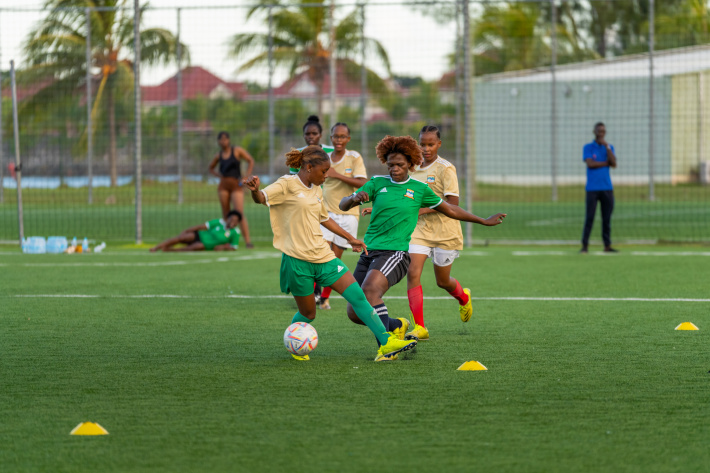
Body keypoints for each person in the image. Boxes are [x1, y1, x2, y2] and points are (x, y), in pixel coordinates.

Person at [243, 145, 417, 362]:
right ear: (308, 167)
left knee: (359, 297)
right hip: (297, 261)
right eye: (323, 172)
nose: (327, 176)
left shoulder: (317, 189)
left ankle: (386, 342)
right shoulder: (286, 183)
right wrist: (254, 190)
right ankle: (294, 340)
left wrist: (350, 238)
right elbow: (262, 198)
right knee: (308, 314)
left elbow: (324, 218)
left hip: (324, 257)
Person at [339, 135, 506, 341]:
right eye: (390, 165)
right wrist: (354, 198)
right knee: (355, 312)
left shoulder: (419, 189)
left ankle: (388, 344)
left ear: (410, 163)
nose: (394, 169)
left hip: (395, 252)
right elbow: (343, 205)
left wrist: (483, 220)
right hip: (368, 251)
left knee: (370, 290)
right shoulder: (376, 183)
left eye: (399, 164)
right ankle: (397, 325)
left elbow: (450, 209)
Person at [405, 126, 470, 342]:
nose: (426, 148)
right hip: (420, 230)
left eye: (430, 144)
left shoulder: (446, 168)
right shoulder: (412, 168)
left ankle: (463, 297)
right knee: (413, 272)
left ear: (438, 144)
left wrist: (421, 209)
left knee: (442, 282)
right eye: (422, 144)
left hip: (445, 231)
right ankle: (420, 327)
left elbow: (453, 204)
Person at [318, 122, 368, 310]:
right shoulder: (325, 158)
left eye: (342, 136)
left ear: (348, 138)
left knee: (334, 259)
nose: (338, 140)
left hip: (348, 215)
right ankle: (315, 293)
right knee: (320, 253)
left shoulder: (354, 157)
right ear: (331, 138)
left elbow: (362, 182)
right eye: (335, 136)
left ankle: (324, 297)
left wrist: (336, 175)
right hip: (326, 213)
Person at [208, 131, 255, 248]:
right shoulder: (218, 155)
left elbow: (250, 160)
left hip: (236, 185)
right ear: (218, 141)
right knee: (226, 215)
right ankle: (226, 240)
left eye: (225, 139)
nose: (223, 141)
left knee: (239, 213)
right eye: (221, 139)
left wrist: (246, 176)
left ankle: (248, 241)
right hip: (223, 186)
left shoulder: (237, 151)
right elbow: (211, 168)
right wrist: (220, 176)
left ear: (229, 140)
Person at [581, 122, 618, 253]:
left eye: (603, 131)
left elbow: (614, 164)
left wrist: (607, 147)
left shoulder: (609, 147)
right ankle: (585, 246)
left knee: (606, 218)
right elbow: (590, 164)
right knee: (589, 218)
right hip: (592, 189)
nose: (601, 133)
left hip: (606, 188)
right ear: (594, 132)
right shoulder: (588, 147)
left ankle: (607, 245)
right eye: (599, 131)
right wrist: (605, 163)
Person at [150, 211, 242, 252]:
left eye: (236, 221)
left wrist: (223, 247)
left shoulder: (235, 232)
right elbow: (201, 226)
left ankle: (170, 250)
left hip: (206, 244)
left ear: (238, 223)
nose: (233, 222)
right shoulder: (219, 222)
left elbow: (234, 247)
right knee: (182, 238)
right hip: (199, 235)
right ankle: (157, 247)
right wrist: (186, 231)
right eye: (232, 219)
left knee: (195, 247)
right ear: (228, 219)